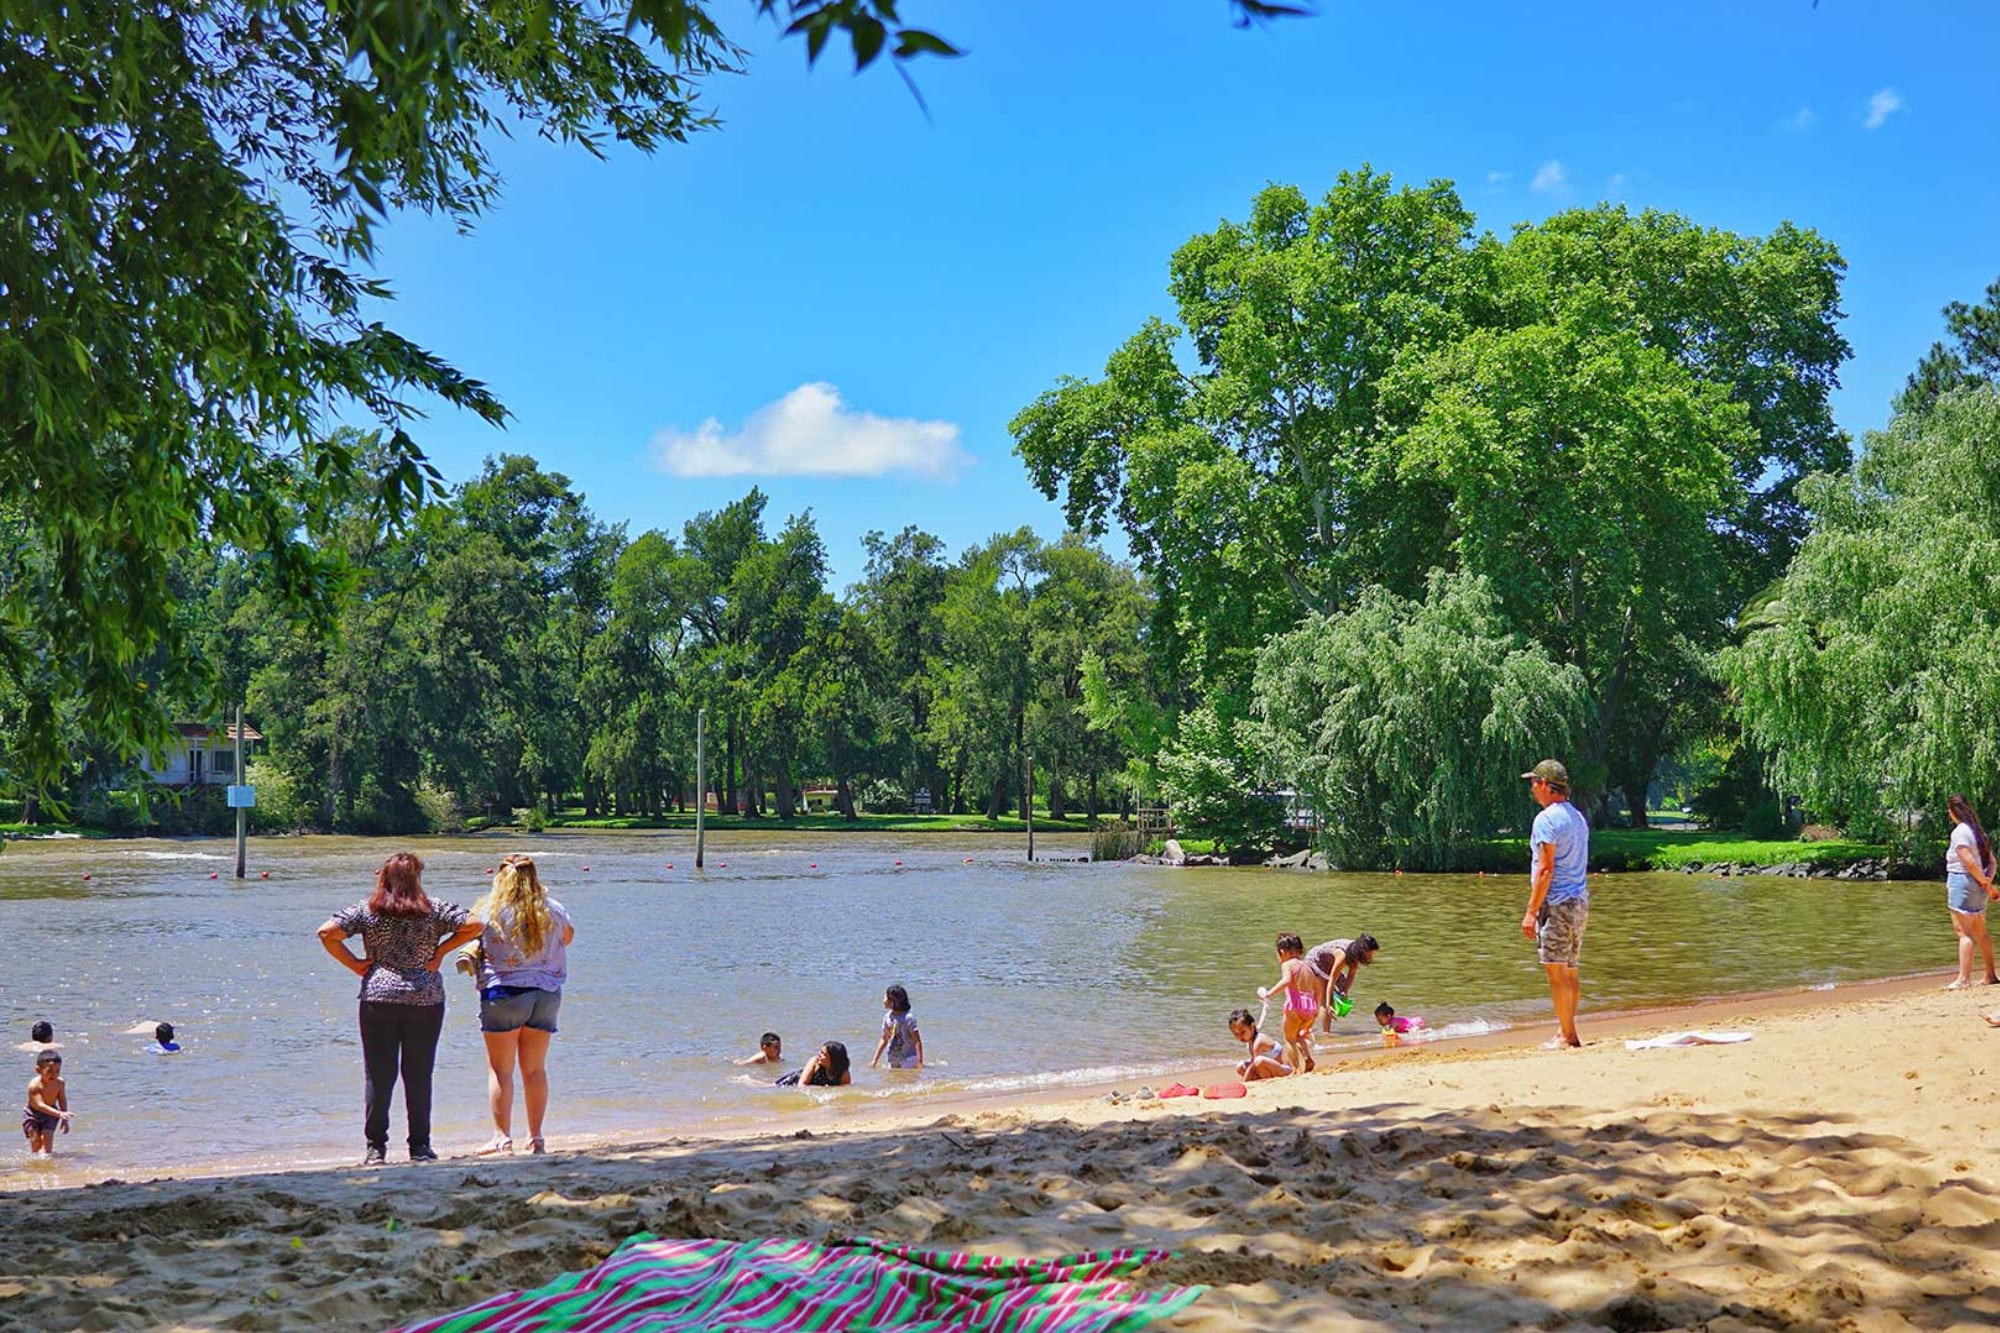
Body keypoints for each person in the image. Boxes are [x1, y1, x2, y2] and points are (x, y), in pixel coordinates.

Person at [317, 852, 481, 1165]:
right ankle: (419, 1147)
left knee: (378, 1075)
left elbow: (326, 933)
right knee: (419, 1074)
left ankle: (375, 1148)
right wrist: (441, 951)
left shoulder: (367, 910)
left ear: (384, 877)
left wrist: (354, 965)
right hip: (425, 997)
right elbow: (475, 924)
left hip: (379, 995)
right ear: (416, 877)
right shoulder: (434, 909)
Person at [470, 854, 574, 1156]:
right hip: (546, 993)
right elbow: (567, 938)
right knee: (535, 1070)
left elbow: (470, 938)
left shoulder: (489, 910)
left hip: (504, 992)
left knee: (501, 1071)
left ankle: (502, 1137)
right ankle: (536, 1137)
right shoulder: (553, 909)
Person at [1521, 759, 1589, 1049]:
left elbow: (1546, 869)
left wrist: (1531, 911)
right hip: (1579, 903)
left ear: (1547, 786)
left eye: (1535, 782)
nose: (1532, 788)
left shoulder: (1546, 819)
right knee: (1570, 970)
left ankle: (1566, 1035)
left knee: (1555, 970)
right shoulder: (1577, 817)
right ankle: (1568, 1031)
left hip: (1557, 903)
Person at [1943, 794, 1999, 989]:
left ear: (1952, 812)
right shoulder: (1978, 832)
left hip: (1963, 882)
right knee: (1981, 932)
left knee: (1964, 932)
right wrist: (1987, 884)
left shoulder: (1959, 833)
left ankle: (1963, 978)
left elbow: (1968, 861)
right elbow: (1992, 862)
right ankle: (1990, 975)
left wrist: (1985, 883)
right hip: (1978, 887)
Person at [1257, 932, 1317, 1073]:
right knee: (1298, 1035)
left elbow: (1287, 980)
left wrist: (1269, 993)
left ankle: (1294, 1069)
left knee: (1289, 1039)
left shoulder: (1287, 965)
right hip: (1310, 1006)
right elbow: (1318, 988)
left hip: (1295, 1006)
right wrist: (1315, 1008)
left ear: (1282, 952)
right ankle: (1307, 1059)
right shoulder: (1308, 967)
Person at [1305, 935, 1380, 1031]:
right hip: (1316, 961)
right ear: (1362, 951)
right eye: (1370, 954)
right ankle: (1326, 1033)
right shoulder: (1343, 955)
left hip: (1329, 964)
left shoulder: (1355, 952)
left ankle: (1317, 1027)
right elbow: (1332, 980)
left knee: (1340, 987)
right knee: (1325, 1000)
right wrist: (1328, 1004)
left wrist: (1345, 991)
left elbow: (1351, 974)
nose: (1371, 957)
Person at [23, 1050, 69, 1157]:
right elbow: (40, 1105)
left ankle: (47, 1161)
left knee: (48, 1137)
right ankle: (36, 1162)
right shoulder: (34, 1086)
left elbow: (62, 1099)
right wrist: (59, 1114)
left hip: (51, 1113)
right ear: (38, 1070)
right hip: (32, 1114)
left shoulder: (60, 1083)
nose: (54, 1075)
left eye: (57, 1071)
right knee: (35, 1141)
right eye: (49, 1071)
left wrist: (64, 1119)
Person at [870, 985, 923, 1071]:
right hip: (893, 1057)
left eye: (885, 998)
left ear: (893, 1001)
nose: (883, 1001)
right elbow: (884, 1039)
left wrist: (919, 1061)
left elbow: (917, 1041)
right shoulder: (887, 1017)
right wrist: (874, 1060)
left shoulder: (908, 1018)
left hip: (909, 1058)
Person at [1228, 1007, 1290, 1081]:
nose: (1240, 1036)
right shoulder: (1250, 1041)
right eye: (1236, 1034)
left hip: (1283, 1070)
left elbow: (1253, 1065)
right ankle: (1261, 1079)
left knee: (1259, 1061)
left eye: (1243, 1032)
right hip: (1270, 1070)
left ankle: (1265, 1079)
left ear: (1252, 1027)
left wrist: (1245, 1082)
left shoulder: (1259, 1041)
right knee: (1240, 1066)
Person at [776, 1041, 851, 1087]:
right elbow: (802, 1085)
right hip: (792, 1081)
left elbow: (843, 1092)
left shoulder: (843, 1074)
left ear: (833, 1058)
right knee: (771, 1087)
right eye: (820, 1052)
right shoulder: (814, 1061)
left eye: (823, 1053)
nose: (819, 1054)